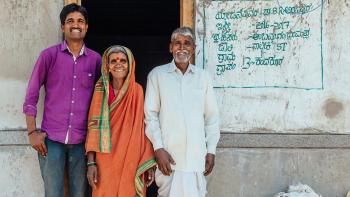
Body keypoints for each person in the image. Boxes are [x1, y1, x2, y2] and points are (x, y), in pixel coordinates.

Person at [23, 3, 101, 197]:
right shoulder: (48, 56)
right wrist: (32, 131)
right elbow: (31, 95)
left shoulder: (96, 60)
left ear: (86, 27)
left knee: (80, 194)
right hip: (51, 141)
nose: (76, 25)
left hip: (82, 142)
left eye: (80, 21)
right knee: (53, 193)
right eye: (70, 21)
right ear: (62, 27)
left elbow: (102, 101)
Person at [144, 27, 220, 197]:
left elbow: (212, 117)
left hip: (196, 159)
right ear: (171, 47)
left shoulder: (203, 77)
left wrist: (211, 150)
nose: (182, 47)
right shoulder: (157, 75)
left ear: (194, 48)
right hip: (169, 159)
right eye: (177, 43)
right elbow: (150, 116)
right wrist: (158, 148)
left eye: (187, 43)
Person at [85, 45, 156, 197]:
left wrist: (148, 159)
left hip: (132, 157)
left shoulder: (137, 91)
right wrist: (91, 163)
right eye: (114, 61)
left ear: (130, 65)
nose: (119, 64)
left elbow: (143, 126)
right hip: (104, 160)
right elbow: (93, 128)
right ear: (107, 66)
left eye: (123, 60)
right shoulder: (100, 91)